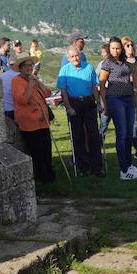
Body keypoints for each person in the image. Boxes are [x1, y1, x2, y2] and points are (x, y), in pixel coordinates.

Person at [57, 43, 103, 176]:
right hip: (74, 104)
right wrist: (68, 107)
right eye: (72, 56)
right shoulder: (64, 70)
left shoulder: (88, 67)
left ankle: (97, 167)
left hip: (89, 103)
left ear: (80, 56)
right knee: (78, 136)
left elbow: (94, 87)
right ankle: (83, 167)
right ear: (68, 58)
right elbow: (63, 91)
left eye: (77, 55)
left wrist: (98, 103)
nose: (75, 58)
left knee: (94, 135)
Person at [98, 37, 137, 180]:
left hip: (129, 99)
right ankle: (123, 169)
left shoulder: (127, 63)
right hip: (115, 99)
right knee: (122, 133)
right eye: (112, 48)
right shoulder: (107, 63)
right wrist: (105, 105)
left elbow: (134, 81)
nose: (115, 51)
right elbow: (102, 85)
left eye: (117, 48)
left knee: (129, 133)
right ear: (109, 49)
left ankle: (129, 164)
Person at [11, 56, 55, 185]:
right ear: (21, 68)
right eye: (27, 66)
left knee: (47, 150)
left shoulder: (33, 79)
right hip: (29, 123)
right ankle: (43, 178)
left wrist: (37, 82)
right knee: (37, 152)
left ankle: (49, 175)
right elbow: (23, 100)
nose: (30, 68)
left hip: (43, 121)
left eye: (31, 65)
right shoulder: (16, 81)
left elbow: (47, 93)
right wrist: (30, 85)